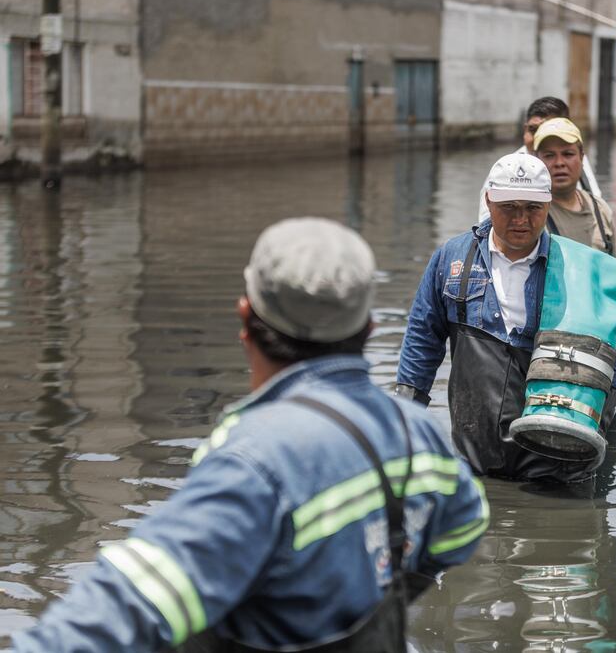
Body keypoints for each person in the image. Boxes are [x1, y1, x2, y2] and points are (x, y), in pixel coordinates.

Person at [13, 218, 488, 653]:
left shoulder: (254, 460)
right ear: (367, 328)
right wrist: (383, 580)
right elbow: (467, 523)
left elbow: (128, 606)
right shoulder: (416, 432)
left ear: (245, 320)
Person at [395, 153, 616, 484]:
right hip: (475, 455)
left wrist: (601, 410)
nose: (521, 219)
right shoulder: (453, 260)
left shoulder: (577, 268)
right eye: (509, 207)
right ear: (488, 200)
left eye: (533, 208)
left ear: (548, 205)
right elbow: (422, 339)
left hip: (559, 457)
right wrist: (405, 419)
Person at [477, 96, 603, 222]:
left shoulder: (576, 161)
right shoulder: (506, 169)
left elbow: (596, 207)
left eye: (567, 154)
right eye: (533, 129)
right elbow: (487, 223)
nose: (560, 163)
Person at [532, 117, 616, 256]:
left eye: (568, 154)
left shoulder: (600, 210)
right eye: (549, 155)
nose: (559, 163)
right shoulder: (531, 213)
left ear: (582, 158)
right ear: (537, 160)